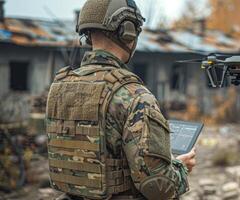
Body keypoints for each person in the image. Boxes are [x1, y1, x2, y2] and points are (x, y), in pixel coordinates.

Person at [46, 0, 196, 199]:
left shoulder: (58, 88)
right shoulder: (135, 95)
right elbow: (159, 186)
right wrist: (180, 167)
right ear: (128, 32)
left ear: (88, 35)